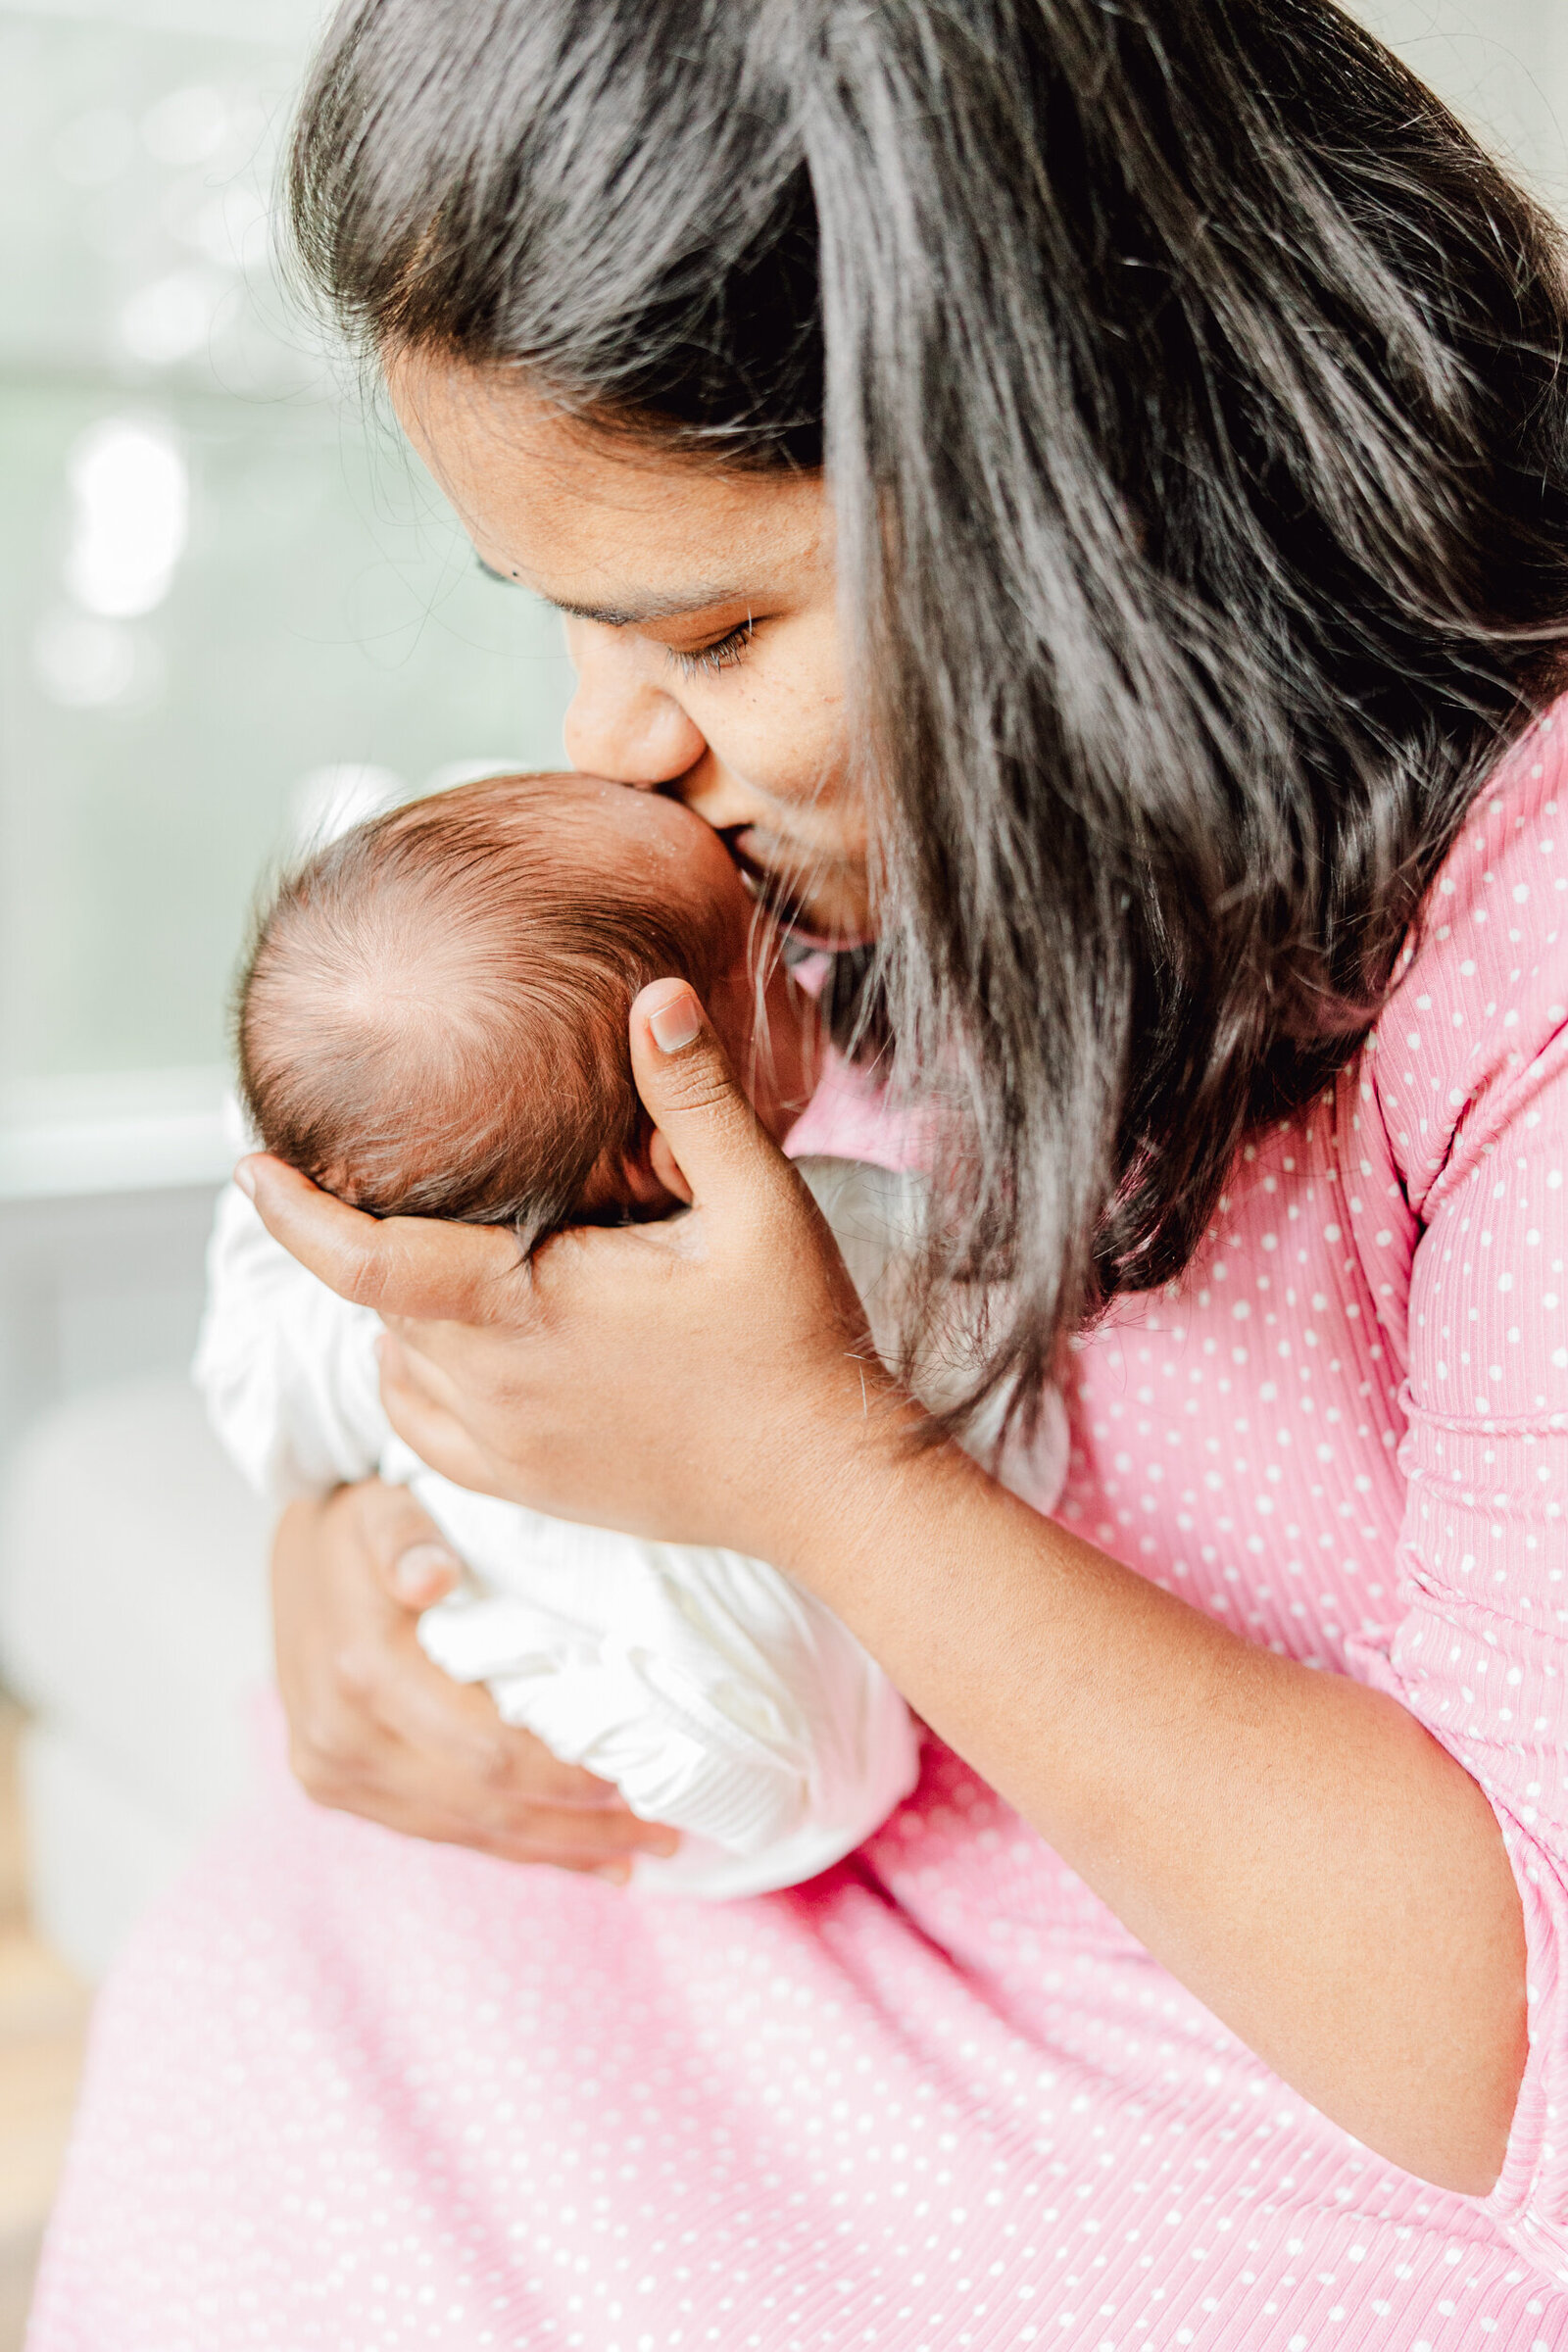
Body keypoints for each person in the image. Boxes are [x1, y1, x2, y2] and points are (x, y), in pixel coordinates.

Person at [26, 1, 1568, 2344]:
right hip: (809, 1900)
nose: (605, 741)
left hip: (1267, 2092)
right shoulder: (900, 864)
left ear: (1099, 488)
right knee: (270, 1949)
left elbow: (1503, 2040)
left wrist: (819, 1468)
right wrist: (368, 1565)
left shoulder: (1516, 950)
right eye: (553, 612)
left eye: (710, 625)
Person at [200, 765, 1054, 1896]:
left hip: (544, 1660)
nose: (801, 954)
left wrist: (315, 1258)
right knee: (765, 1736)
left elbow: (264, 1414)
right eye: (771, 964)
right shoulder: (848, 1249)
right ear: (678, 1138)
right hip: (741, 1733)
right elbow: (1018, 1415)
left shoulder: (380, 1291)